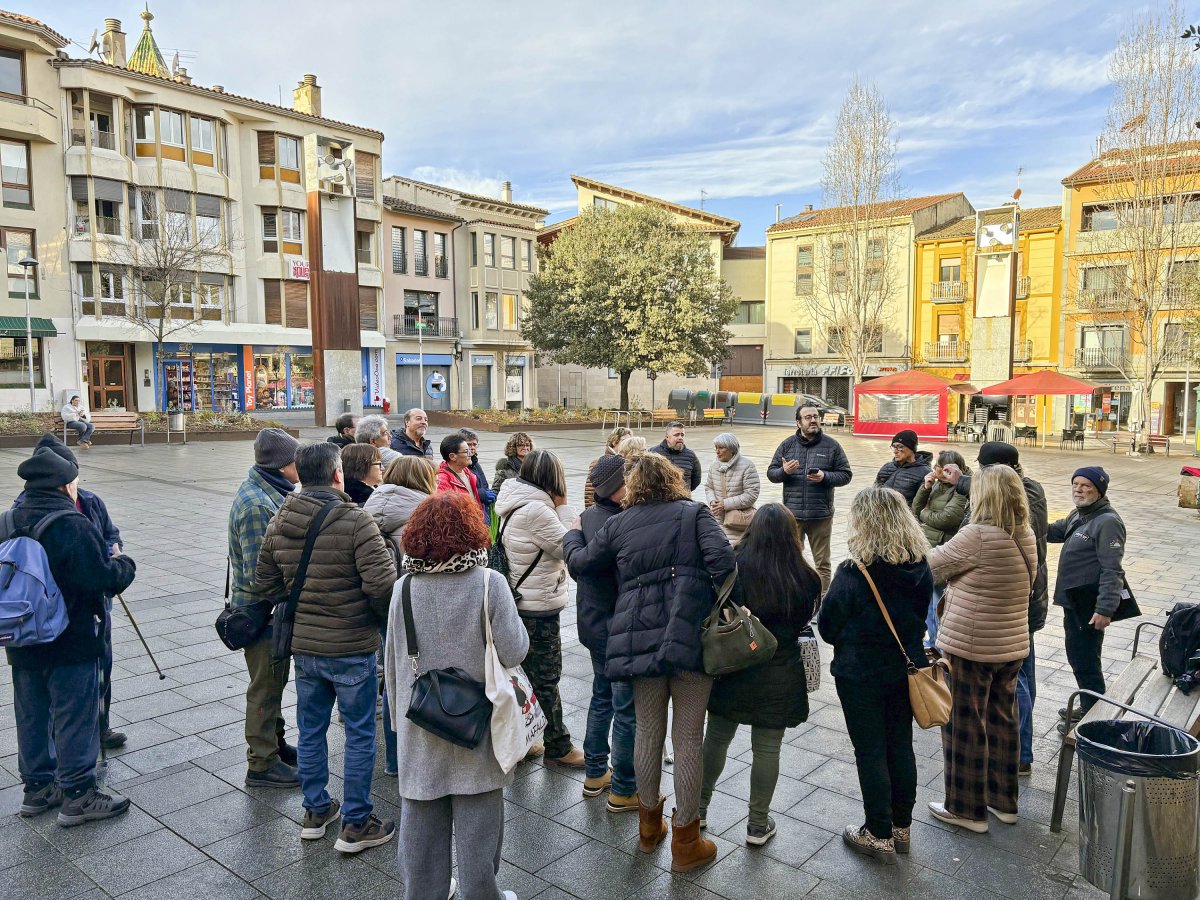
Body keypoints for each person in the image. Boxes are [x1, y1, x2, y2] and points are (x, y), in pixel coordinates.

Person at [563, 453, 735, 873]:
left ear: (635, 486)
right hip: (691, 637)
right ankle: (687, 842)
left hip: (638, 639)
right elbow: (726, 563)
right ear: (674, 480)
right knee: (689, 738)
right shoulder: (695, 515)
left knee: (647, 731)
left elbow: (583, 566)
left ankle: (647, 827)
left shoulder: (619, 523)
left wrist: (571, 535)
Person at [256, 442, 397, 854]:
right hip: (352, 645)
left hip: (306, 649)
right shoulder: (356, 521)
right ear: (338, 474)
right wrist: (362, 613)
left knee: (312, 729)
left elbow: (264, 582)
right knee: (358, 734)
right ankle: (356, 822)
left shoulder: (280, 517)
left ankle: (316, 810)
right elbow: (383, 587)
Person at [384, 492, 527, 900]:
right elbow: (515, 651)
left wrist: (397, 726)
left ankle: (424, 893)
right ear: (472, 532)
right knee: (480, 823)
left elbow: (393, 661)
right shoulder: (489, 583)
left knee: (421, 822)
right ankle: (483, 894)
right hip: (476, 721)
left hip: (420, 718)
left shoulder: (404, 588)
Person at [8, 446, 137, 826]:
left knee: (31, 714)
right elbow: (102, 579)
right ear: (66, 484)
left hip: (20, 636)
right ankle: (78, 795)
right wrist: (123, 564)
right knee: (74, 714)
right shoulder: (71, 524)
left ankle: (37, 789)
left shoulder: (8, 519)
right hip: (71, 637)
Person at [818, 486, 933, 864]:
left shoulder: (854, 572)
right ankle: (902, 826)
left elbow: (828, 624)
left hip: (860, 672)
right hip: (906, 667)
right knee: (900, 743)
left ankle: (878, 831)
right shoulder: (920, 566)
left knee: (870, 749)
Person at [699, 504, 821, 847]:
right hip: (780, 672)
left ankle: (697, 809)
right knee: (767, 748)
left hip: (734, 666)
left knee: (717, 739)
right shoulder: (807, 578)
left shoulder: (735, 567)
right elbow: (801, 625)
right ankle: (757, 824)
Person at [926, 465, 1035, 833]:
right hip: (1012, 644)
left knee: (964, 725)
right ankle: (1003, 802)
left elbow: (931, 565)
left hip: (972, 646)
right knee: (1003, 720)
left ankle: (965, 809)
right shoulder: (1025, 533)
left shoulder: (978, 535)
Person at [13, 435, 127, 751]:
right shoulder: (22, 510)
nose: (73, 482)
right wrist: (116, 568)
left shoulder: (90, 502)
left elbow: (110, 535)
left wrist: (110, 551)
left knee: (103, 666)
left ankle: (100, 725)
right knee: (56, 688)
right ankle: (67, 756)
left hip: (95, 604)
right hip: (48, 611)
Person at [941, 441, 1049, 773]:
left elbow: (946, 558)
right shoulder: (1026, 492)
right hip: (1022, 599)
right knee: (1018, 676)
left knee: (1017, 683)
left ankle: (1017, 754)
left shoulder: (1007, 504)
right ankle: (1018, 755)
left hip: (1009, 604)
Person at [493, 449, 583, 767]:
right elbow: (570, 546)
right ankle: (559, 746)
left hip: (520, 601)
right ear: (552, 479)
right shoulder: (538, 511)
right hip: (537, 607)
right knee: (546, 678)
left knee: (524, 676)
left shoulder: (513, 499)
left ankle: (526, 739)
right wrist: (564, 507)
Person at [229, 428, 302, 788]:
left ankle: (275, 744)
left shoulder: (268, 492)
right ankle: (261, 762)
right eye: (296, 460)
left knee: (272, 681)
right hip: (262, 611)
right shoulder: (259, 504)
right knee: (266, 686)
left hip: (264, 608)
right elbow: (261, 572)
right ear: (284, 465)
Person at [568, 453, 638, 810]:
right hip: (619, 627)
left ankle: (595, 772)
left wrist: (570, 536)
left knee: (602, 696)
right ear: (616, 488)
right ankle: (624, 786)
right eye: (629, 480)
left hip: (594, 624)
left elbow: (577, 567)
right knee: (626, 708)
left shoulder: (587, 519)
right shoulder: (623, 523)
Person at [1047, 466, 1125, 730]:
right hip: (1074, 601)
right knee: (1079, 656)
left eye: (1086, 486)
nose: (1078, 490)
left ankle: (1095, 717)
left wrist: (1105, 609)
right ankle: (1090, 704)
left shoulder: (1107, 522)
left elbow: (1112, 569)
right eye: (1075, 485)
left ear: (1099, 490)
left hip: (1089, 603)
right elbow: (1051, 531)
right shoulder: (1079, 515)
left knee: (1085, 659)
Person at [766, 405, 853, 589]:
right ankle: (797, 599)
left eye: (815, 416)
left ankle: (821, 605)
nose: (813, 420)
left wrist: (825, 477)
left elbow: (845, 475)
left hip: (820, 515)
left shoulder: (832, 446)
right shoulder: (787, 445)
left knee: (822, 564)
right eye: (808, 417)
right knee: (791, 561)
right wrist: (784, 471)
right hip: (792, 516)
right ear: (798, 423)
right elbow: (771, 474)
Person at [911, 450, 970, 648]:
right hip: (927, 546)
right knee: (928, 598)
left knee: (939, 600)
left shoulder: (961, 488)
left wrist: (925, 513)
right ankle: (933, 639)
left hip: (943, 547)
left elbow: (948, 519)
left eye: (943, 468)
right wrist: (925, 488)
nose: (937, 471)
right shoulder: (937, 485)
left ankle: (939, 643)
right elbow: (915, 510)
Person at [365, 455, 438, 559]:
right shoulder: (430, 514)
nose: (437, 485)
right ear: (424, 480)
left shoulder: (371, 503)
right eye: (434, 480)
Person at [703, 432, 761, 545]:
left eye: (721, 448)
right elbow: (709, 487)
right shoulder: (714, 465)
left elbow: (751, 494)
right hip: (718, 519)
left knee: (738, 552)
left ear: (732, 449)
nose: (717, 451)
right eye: (716, 448)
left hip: (739, 522)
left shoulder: (747, 466)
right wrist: (712, 501)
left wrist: (724, 504)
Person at [875, 429, 932, 504]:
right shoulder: (886, 467)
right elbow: (874, 492)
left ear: (912, 448)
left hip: (905, 514)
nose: (895, 451)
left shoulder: (925, 472)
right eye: (894, 447)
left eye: (900, 447)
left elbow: (921, 503)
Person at [584, 427, 631, 508]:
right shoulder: (599, 462)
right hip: (602, 510)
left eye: (629, 441)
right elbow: (590, 491)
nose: (627, 444)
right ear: (614, 442)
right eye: (624, 440)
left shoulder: (627, 461)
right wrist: (592, 511)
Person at [649, 421, 702, 492]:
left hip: (684, 499)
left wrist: (685, 491)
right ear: (667, 437)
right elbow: (647, 478)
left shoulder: (690, 455)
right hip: (660, 500)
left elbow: (696, 479)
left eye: (682, 435)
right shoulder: (653, 453)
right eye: (676, 435)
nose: (680, 437)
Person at [459, 428, 497, 521]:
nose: (472, 447)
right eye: (469, 444)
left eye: (474, 444)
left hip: (482, 512)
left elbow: (484, 484)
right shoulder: (459, 465)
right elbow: (460, 492)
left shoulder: (475, 464)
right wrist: (482, 494)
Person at [436, 434, 482, 507]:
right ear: (452, 456)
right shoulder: (442, 480)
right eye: (466, 451)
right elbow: (443, 511)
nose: (470, 453)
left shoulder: (468, 473)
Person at [340, 443, 383, 507]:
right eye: (378, 464)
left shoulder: (343, 490)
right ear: (362, 466)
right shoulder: (366, 498)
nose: (382, 468)